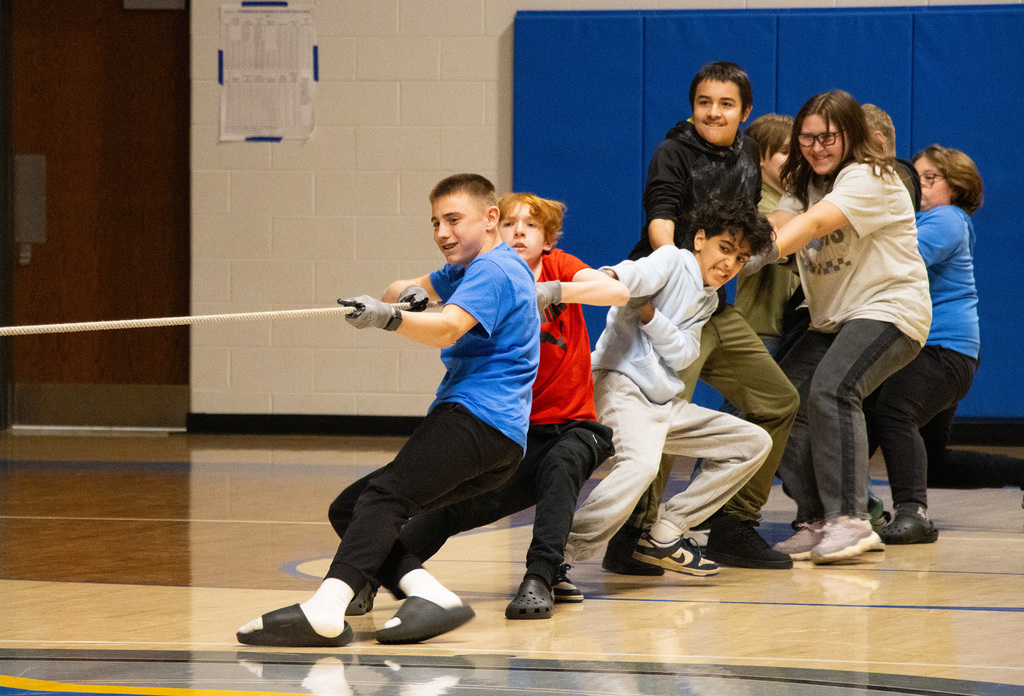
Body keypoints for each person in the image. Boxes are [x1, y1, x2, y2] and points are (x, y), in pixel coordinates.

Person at [236, 173, 540, 647]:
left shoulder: (494, 270)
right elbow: (404, 285)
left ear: (491, 218)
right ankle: (428, 592)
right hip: (498, 441)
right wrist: (403, 296)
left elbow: (446, 329)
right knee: (353, 507)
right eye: (436, 222)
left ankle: (327, 608)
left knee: (382, 498)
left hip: (477, 421)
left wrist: (389, 317)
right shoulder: (465, 268)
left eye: (454, 220)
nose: (442, 232)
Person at [359, 192, 628, 620]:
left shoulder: (557, 266)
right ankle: (371, 574)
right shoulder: (477, 273)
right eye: (510, 223)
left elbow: (617, 291)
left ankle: (541, 575)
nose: (519, 231)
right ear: (493, 229)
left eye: (532, 225)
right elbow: (400, 287)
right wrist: (406, 294)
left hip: (570, 424)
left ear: (547, 239)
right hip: (512, 432)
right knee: (451, 507)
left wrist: (549, 290)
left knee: (562, 468)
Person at [602, 61, 798, 576]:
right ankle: (634, 536)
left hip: (716, 306)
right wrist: (677, 275)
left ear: (745, 111)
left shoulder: (749, 154)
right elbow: (660, 218)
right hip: (670, 301)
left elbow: (747, 225)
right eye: (705, 102)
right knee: (665, 411)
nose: (714, 112)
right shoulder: (673, 151)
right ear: (692, 108)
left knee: (778, 401)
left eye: (726, 104)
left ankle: (732, 523)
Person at [562, 198, 775, 577]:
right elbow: (629, 276)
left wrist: (650, 316)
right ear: (699, 239)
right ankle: (559, 555)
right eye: (725, 249)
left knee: (753, 443)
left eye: (740, 259)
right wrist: (601, 282)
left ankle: (666, 532)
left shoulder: (708, 299)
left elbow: (683, 354)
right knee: (640, 466)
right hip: (622, 388)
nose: (729, 264)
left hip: (663, 404)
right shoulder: (672, 262)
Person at [767, 91, 931, 564]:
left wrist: (762, 252)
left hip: (890, 308)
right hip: (833, 319)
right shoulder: (802, 181)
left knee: (834, 389)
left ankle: (852, 520)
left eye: (828, 138)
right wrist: (751, 240)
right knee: (784, 401)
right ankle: (818, 519)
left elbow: (815, 223)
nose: (817, 147)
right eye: (807, 138)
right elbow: (780, 219)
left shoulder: (871, 176)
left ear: (850, 137)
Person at [863, 145, 987, 543]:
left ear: (958, 187)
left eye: (930, 178)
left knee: (894, 413)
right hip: (946, 350)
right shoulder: (927, 218)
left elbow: (902, 257)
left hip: (942, 349)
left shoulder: (947, 218)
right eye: (916, 178)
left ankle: (912, 513)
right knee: (934, 462)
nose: (919, 186)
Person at [733, 112, 801, 359]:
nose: (797, 161)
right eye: (786, 152)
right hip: (760, 329)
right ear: (759, 158)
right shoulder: (752, 206)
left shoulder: (797, 202)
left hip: (794, 328)